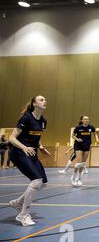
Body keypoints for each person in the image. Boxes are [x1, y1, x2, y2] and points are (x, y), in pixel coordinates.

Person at [8, 96, 51, 226]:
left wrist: (41, 147)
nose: (44, 101)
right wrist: (24, 147)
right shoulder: (26, 118)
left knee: (43, 183)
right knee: (36, 181)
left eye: (45, 100)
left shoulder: (43, 121)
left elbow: (36, 136)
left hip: (32, 153)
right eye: (41, 100)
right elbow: (11, 138)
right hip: (19, 152)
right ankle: (23, 214)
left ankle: (17, 203)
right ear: (34, 104)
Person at [71, 116, 99, 186]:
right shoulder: (78, 127)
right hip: (78, 145)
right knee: (79, 162)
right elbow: (73, 135)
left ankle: (79, 179)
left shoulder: (91, 127)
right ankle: (73, 177)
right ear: (82, 120)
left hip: (87, 146)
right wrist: (77, 139)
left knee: (83, 163)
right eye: (85, 119)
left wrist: (97, 139)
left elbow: (95, 133)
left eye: (87, 119)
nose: (86, 120)